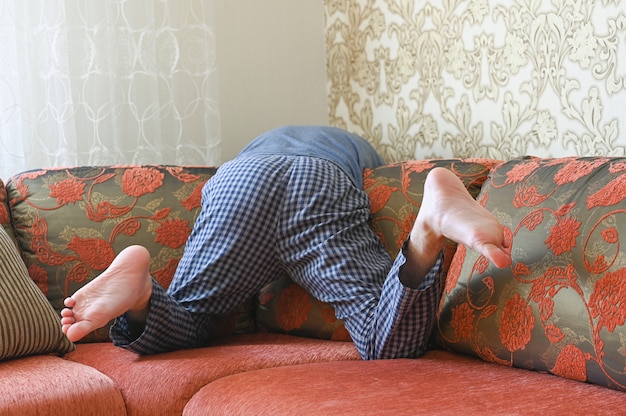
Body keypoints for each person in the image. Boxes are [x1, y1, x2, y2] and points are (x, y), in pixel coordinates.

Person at [61, 125, 511, 360]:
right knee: (384, 342)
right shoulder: (360, 149)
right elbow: (369, 191)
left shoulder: (259, 142)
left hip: (241, 181)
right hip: (320, 181)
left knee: (192, 319)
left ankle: (141, 293)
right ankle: (428, 227)